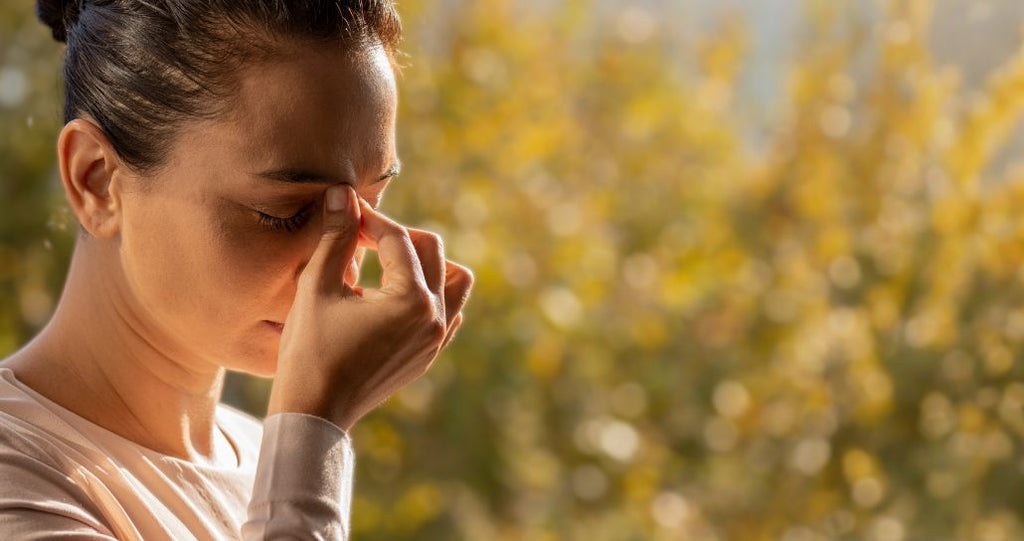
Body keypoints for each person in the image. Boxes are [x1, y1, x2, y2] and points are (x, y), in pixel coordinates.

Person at [0, 0, 474, 539]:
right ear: (97, 181)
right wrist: (313, 425)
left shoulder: (262, 457)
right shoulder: (17, 473)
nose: (340, 268)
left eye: (368, 206)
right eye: (284, 214)